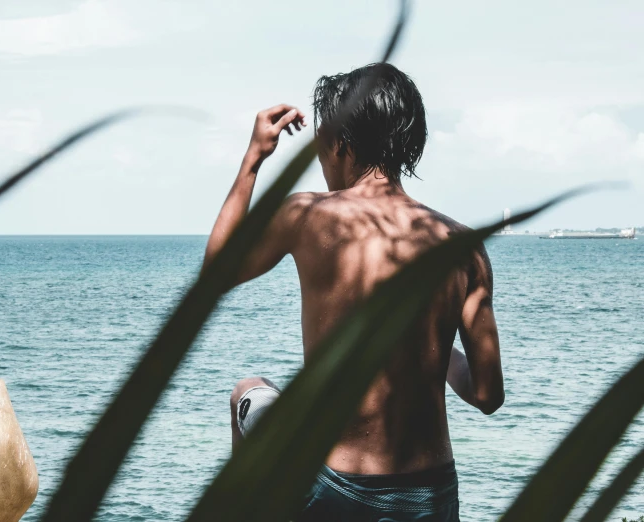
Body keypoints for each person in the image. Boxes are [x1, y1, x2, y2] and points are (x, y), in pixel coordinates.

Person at [202, 63, 504, 522]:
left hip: (334, 489)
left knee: (248, 391)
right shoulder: (462, 246)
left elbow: (215, 273)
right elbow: (487, 395)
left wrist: (253, 159)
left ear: (342, 142)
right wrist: (433, 351)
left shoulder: (306, 215)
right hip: (430, 495)